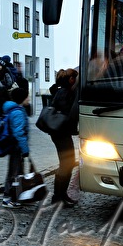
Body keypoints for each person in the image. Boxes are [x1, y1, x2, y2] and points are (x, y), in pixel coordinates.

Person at [47, 69, 80, 206]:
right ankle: (58, 196)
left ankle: (60, 195)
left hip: (59, 132)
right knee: (67, 164)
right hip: (61, 133)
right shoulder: (65, 92)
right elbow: (69, 114)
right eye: (75, 79)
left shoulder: (60, 91)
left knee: (67, 163)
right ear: (71, 79)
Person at [1, 86, 31, 208]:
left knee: (18, 172)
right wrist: (25, 149)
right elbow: (19, 132)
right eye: (27, 96)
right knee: (13, 173)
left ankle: (18, 196)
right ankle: (7, 198)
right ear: (22, 99)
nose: (29, 98)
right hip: (16, 147)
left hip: (16, 146)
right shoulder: (17, 112)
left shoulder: (16, 109)